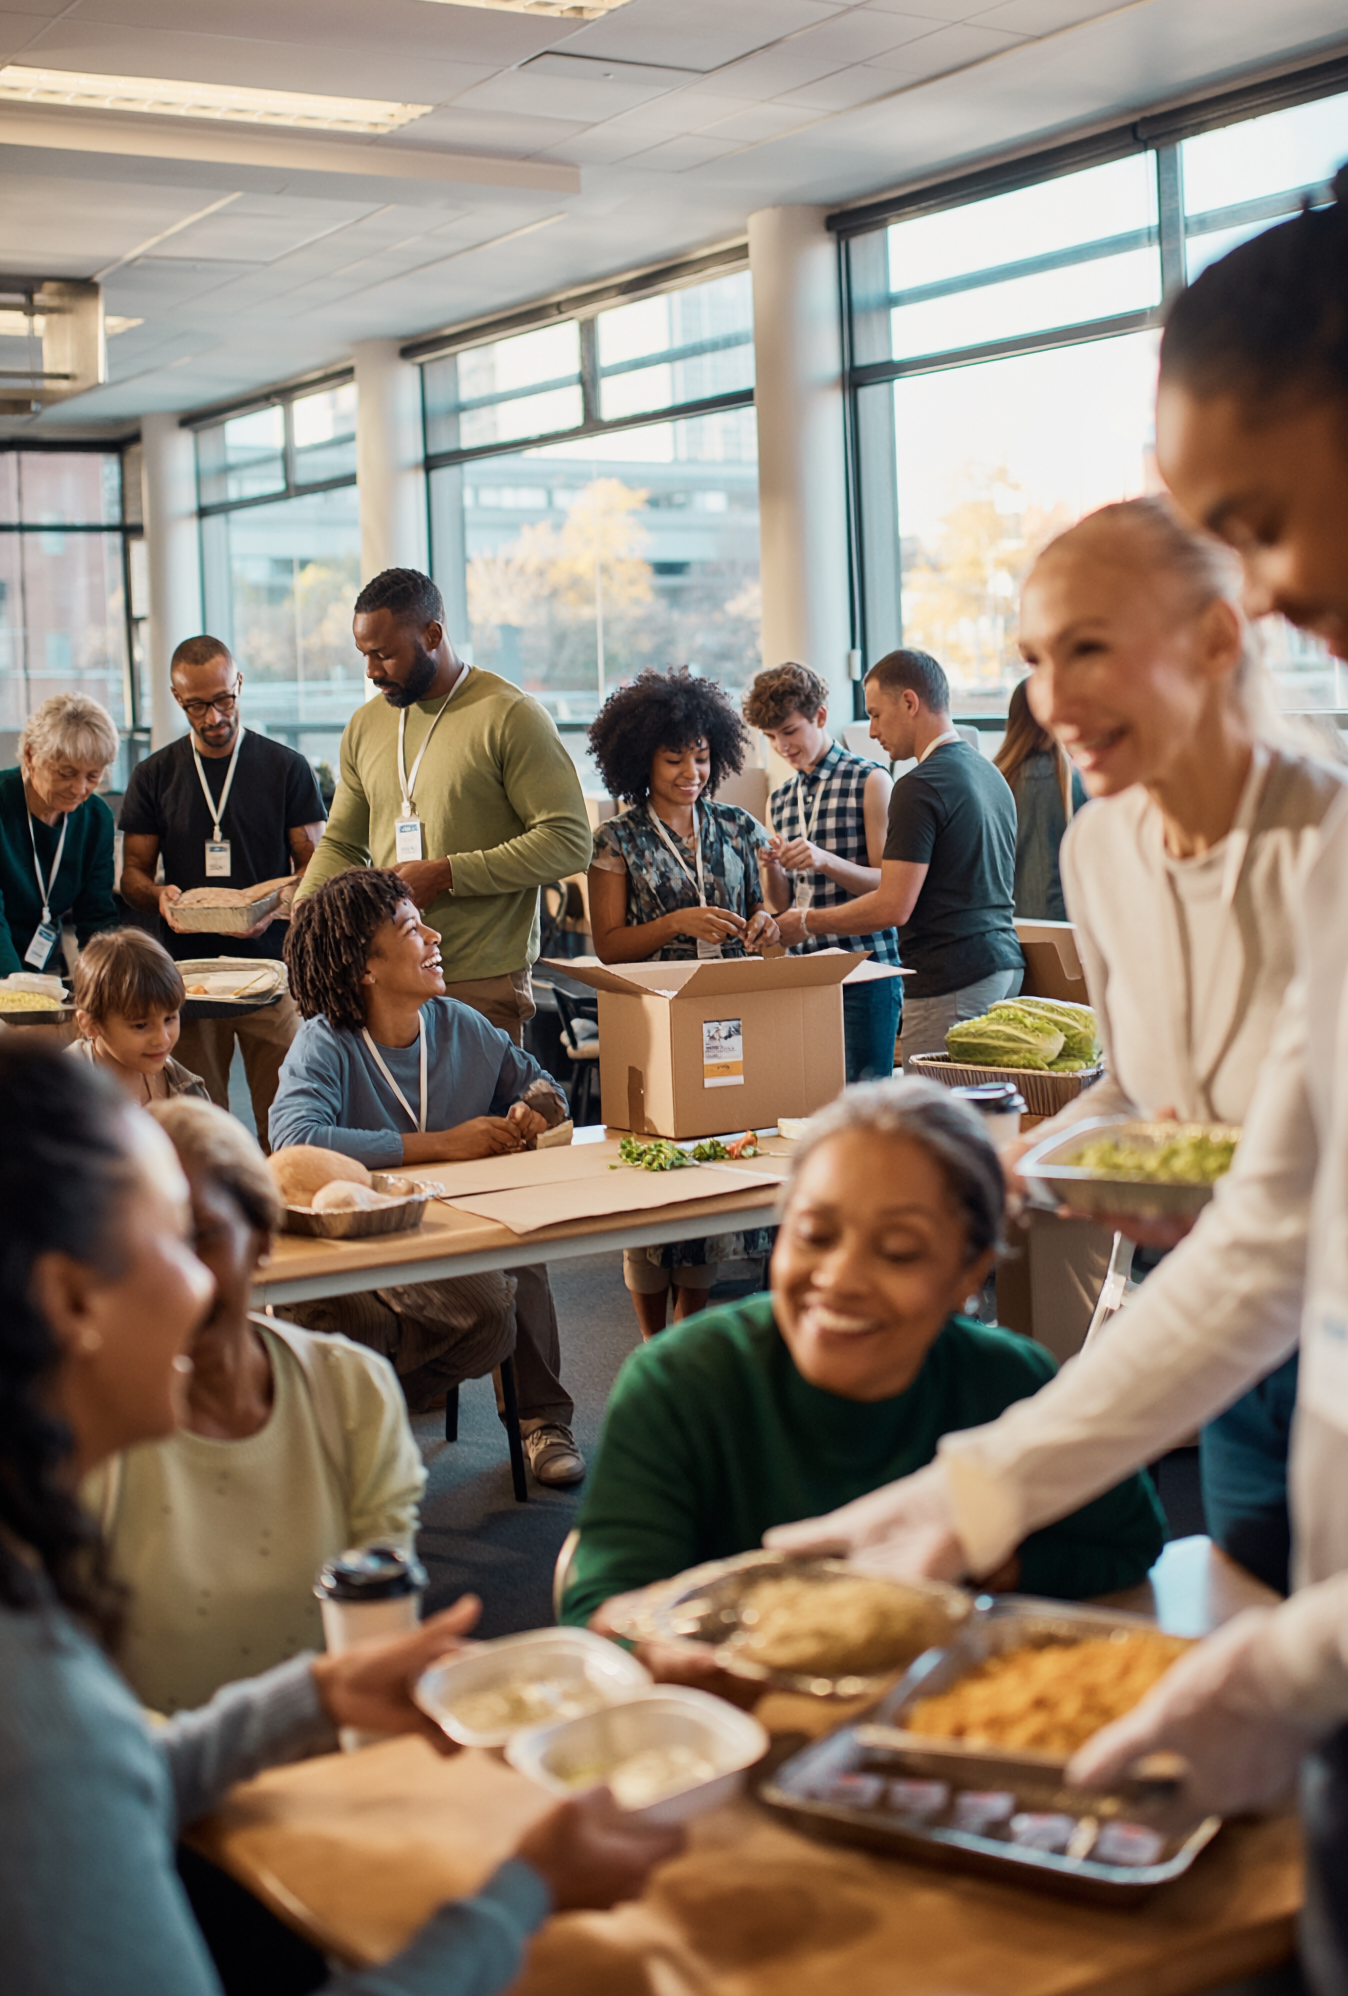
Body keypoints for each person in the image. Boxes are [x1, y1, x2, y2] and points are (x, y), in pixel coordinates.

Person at [766, 152, 1348, 1996]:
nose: (1265, 591)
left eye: (1260, 523)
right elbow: (1275, 1225)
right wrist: (962, 1496)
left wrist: (1289, 1665)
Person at [0, 1038, 678, 1996]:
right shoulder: (34, 1698)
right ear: (71, 1302)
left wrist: (311, 1696)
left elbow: (101, 1790)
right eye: (168, 1239)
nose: (203, 1283)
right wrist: (520, 1897)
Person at [1012, 498, 1348, 1587]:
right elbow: (1133, 1087)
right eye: (1034, 660)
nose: (1052, 700)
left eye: (1089, 649)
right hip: (1219, 1332)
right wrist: (1041, 1154)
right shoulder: (1099, 848)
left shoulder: (1346, 839)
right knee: (1251, 1606)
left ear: (1215, 638)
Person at [560, 1080, 1163, 1634]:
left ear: (970, 1273)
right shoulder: (681, 1383)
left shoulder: (1010, 1382)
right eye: (814, 1236)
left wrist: (983, 1565)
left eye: (898, 1251)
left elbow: (1127, 1543)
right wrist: (656, 1642)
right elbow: (599, 1604)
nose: (841, 1278)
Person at [294, 567, 591, 1483]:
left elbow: (568, 839)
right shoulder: (366, 725)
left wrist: (447, 874)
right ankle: (411, 1372)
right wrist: (308, 933)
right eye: (362, 654)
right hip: (375, 988)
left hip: (480, 983)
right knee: (399, 1199)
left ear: (431, 634)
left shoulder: (507, 716)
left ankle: (541, 1418)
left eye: (384, 652)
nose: (372, 669)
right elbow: (344, 842)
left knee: (507, 1211)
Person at [88, 1096, 425, 1714]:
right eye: (144, 1242)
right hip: (148, 1774)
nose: (177, 1276)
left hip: (339, 1759)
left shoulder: (351, 1392)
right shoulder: (85, 1431)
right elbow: (72, 1707)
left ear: (264, 1240)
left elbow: (377, 1641)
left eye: (202, 1236)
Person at [272, 869, 563, 1469]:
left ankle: (542, 1423)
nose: (434, 936)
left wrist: (535, 1105)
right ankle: (369, 1422)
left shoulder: (459, 1023)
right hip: (363, 1239)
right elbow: (296, 1138)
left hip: (456, 1222)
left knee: (520, 1260)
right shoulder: (325, 1042)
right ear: (366, 968)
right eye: (411, 929)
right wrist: (443, 1145)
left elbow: (540, 1083)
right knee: (360, 1316)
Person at [587, 667, 781, 1337]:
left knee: (714, 1173)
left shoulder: (739, 826)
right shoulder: (616, 840)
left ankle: (690, 1330)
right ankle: (652, 1341)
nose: (691, 772)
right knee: (653, 1179)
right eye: (674, 759)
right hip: (651, 1022)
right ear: (642, 760)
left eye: (701, 757)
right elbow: (609, 946)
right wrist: (676, 922)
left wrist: (766, 923)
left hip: (723, 1019)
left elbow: (767, 909)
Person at [118, 635, 325, 1148]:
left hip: (271, 971)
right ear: (176, 698)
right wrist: (159, 897)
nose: (213, 717)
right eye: (197, 705)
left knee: (289, 1120)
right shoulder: (154, 775)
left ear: (239, 684)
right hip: (189, 981)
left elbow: (316, 868)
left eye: (223, 699)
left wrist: (270, 906)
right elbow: (132, 876)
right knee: (201, 1131)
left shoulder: (286, 768)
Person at [774, 649, 1023, 1064]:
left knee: (933, 1104)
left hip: (950, 976)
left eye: (876, 714)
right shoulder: (989, 773)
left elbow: (893, 905)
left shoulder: (918, 785)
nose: (872, 731)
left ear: (909, 702)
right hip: (1004, 966)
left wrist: (805, 921)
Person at [743, 659, 904, 1083]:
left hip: (866, 971)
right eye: (771, 737)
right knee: (809, 1100)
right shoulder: (779, 799)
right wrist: (770, 868)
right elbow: (782, 902)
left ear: (820, 716)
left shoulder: (871, 781)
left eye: (789, 731)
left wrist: (824, 860)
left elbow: (888, 883)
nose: (782, 746)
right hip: (804, 973)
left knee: (866, 1100)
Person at [0, 690, 120, 978]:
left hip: (42, 963)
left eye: (93, 776)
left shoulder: (96, 819)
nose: (79, 789)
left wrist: (108, 981)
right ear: (30, 755)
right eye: (66, 773)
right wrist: (13, 991)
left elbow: (97, 916)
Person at [71, 926, 209, 1107]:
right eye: (140, 1025)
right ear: (90, 1024)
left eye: (169, 1019)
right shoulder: (61, 1095)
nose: (162, 1039)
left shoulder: (187, 1089)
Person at [993, 674, 1085, 922]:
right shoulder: (1079, 781)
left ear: (1012, 721)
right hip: (1069, 925)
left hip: (1005, 925)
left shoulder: (991, 780)